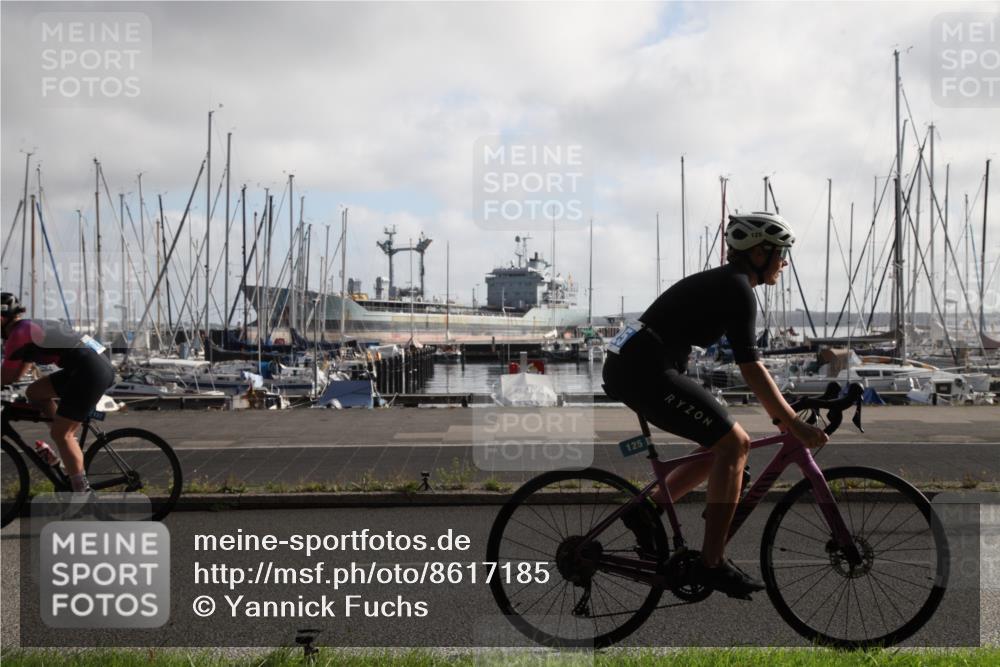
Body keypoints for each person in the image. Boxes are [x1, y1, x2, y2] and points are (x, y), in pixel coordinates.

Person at [602, 211, 828, 597]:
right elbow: (752, 368)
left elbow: (750, 368)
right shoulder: (738, 289)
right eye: (781, 253)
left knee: (720, 444)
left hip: (640, 364)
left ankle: (646, 511)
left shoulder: (731, 283)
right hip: (644, 369)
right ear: (759, 252)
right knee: (735, 445)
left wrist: (784, 416)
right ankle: (712, 563)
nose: (785, 262)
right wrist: (791, 422)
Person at [1, 293, 116, 493]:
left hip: (89, 370)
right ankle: (63, 445)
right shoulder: (27, 328)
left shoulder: (19, 334)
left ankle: (81, 494)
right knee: (35, 392)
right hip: (91, 364)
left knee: (62, 434)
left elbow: (7, 376)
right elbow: (17, 375)